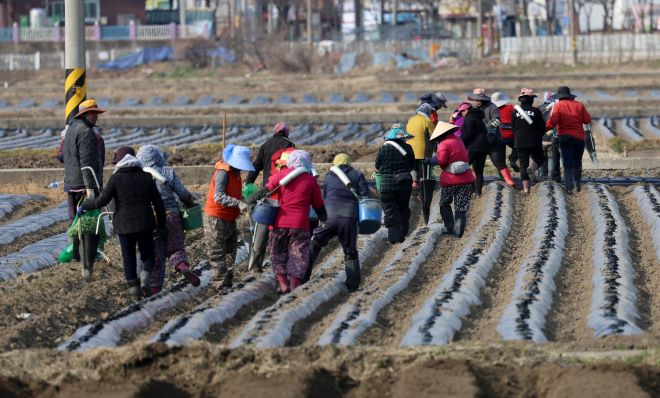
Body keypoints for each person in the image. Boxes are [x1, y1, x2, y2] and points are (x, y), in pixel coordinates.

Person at [78, 149, 166, 300]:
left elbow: (102, 201)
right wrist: (162, 226)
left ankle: (134, 293)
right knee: (147, 254)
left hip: (124, 225)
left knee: (129, 257)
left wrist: (85, 205)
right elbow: (158, 203)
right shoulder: (146, 177)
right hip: (145, 223)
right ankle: (145, 279)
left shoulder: (115, 178)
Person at [247, 150, 326, 294]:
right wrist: (324, 219)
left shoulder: (282, 175)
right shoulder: (310, 181)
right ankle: (295, 285)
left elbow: (266, 189)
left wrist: (252, 198)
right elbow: (318, 204)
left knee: (278, 252)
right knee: (299, 254)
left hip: (280, 223)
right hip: (300, 225)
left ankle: (283, 284)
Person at [136, 145, 200, 294]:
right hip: (171, 215)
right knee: (176, 247)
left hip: (150, 219)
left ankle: (154, 289)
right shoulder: (168, 173)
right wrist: (191, 202)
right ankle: (182, 267)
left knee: (155, 255)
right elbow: (184, 194)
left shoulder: (140, 176)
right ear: (158, 158)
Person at [308, 153, 370, 290]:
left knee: (316, 242)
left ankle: (303, 276)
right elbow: (365, 195)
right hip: (349, 217)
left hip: (329, 217)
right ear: (349, 163)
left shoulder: (329, 176)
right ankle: (352, 285)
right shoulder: (357, 175)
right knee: (350, 251)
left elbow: (324, 196)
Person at [62, 99, 106, 282]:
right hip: (83, 183)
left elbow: (63, 156)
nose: (96, 116)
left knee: (76, 219)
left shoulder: (71, 129)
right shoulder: (86, 132)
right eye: (93, 113)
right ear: (86, 114)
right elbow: (87, 163)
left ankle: (76, 254)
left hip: (70, 182)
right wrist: (90, 188)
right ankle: (85, 260)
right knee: (87, 223)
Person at [204, 145, 255, 290]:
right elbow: (218, 196)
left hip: (230, 218)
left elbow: (235, 193)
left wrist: (245, 200)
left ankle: (228, 283)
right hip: (216, 218)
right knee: (218, 254)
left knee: (230, 252)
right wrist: (238, 203)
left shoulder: (236, 173)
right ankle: (220, 286)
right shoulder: (223, 172)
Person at [427, 121, 476, 238]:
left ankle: (449, 227)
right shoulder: (458, 140)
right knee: (461, 205)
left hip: (450, 180)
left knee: (444, 203)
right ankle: (459, 230)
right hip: (465, 178)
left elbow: (442, 160)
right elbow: (466, 157)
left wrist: (430, 160)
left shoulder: (444, 144)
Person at [464, 89, 515, 194]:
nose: (476, 101)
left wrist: (484, 128)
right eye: (475, 100)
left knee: (498, 162)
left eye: (478, 100)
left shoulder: (492, 107)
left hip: (493, 140)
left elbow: (496, 121)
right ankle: (475, 190)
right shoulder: (474, 110)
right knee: (477, 168)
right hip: (479, 142)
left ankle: (510, 181)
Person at [545, 86, 592, 193]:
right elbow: (587, 120)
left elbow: (552, 122)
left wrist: (543, 128)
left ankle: (569, 187)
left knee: (567, 163)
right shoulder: (579, 105)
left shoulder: (558, 106)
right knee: (577, 162)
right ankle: (577, 185)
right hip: (579, 138)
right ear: (569, 96)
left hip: (565, 138)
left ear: (559, 96)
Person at [375, 126, 416, 244]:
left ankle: (394, 237)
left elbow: (378, 165)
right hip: (404, 183)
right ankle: (403, 233)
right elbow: (412, 165)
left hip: (387, 184)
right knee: (403, 206)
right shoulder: (408, 147)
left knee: (390, 209)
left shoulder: (384, 148)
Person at [511, 89, 547, 193]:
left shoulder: (515, 112)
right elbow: (542, 127)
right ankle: (532, 168)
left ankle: (526, 189)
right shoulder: (536, 111)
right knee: (540, 158)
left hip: (519, 142)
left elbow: (513, 128)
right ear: (531, 100)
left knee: (523, 164)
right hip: (534, 140)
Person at [244, 121, 295, 192]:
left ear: (275, 131)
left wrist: (248, 184)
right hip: (283, 185)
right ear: (286, 132)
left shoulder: (265, 145)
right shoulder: (289, 144)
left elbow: (256, 167)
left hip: (268, 185)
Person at [406, 103, 437, 189]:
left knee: (413, 168)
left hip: (410, 151)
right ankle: (423, 189)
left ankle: (414, 183)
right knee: (424, 172)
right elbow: (434, 136)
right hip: (422, 152)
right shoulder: (427, 121)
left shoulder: (411, 120)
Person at [491, 92, 519, 172]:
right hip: (511, 134)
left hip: (499, 135)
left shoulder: (492, 110)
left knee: (501, 155)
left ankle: (502, 174)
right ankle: (513, 159)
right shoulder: (510, 107)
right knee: (517, 147)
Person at [539, 92, 561, 182]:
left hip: (541, 139)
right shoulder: (557, 108)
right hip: (553, 139)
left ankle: (542, 178)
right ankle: (551, 179)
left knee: (542, 158)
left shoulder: (539, 109)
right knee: (552, 158)